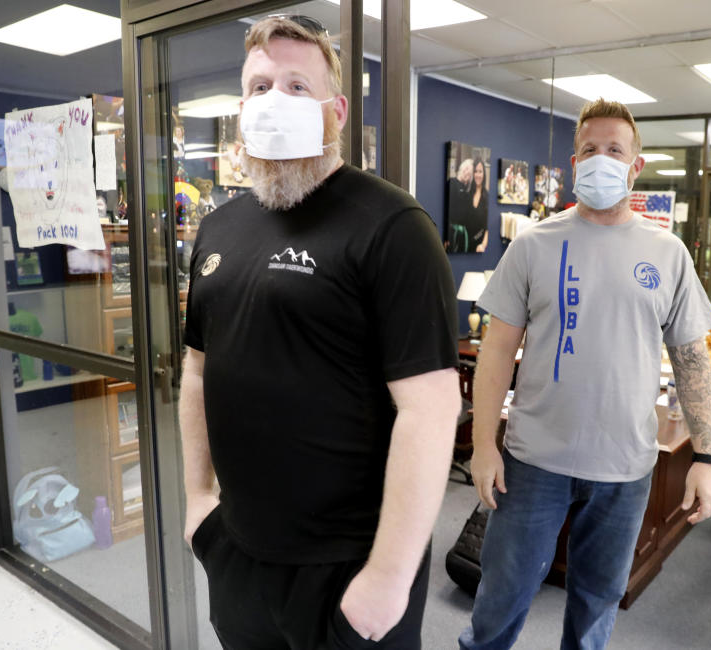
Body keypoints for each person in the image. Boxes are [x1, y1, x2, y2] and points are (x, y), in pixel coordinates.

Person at [179, 15, 460, 649]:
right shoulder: (218, 229)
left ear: (335, 112)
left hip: (348, 570)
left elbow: (433, 410)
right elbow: (197, 370)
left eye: (296, 86)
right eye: (258, 87)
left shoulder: (391, 225)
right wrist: (198, 501)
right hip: (238, 553)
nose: (273, 100)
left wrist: (388, 578)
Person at [459, 98, 711, 650]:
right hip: (532, 464)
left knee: (595, 607)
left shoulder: (667, 253)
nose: (601, 159)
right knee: (500, 600)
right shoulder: (533, 243)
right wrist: (484, 445)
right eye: (589, 150)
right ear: (574, 164)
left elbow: (695, 362)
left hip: (625, 471)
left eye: (614, 150)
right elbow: (496, 353)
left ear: (636, 165)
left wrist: (705, 457)